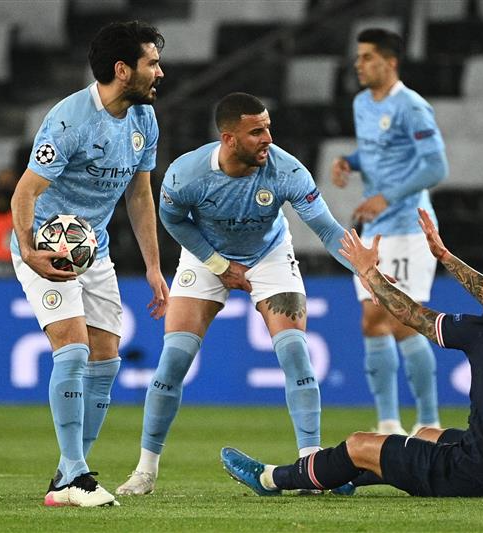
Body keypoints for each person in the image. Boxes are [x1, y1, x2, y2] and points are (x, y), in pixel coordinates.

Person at [222, 208, 483, 498]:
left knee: (358, 443)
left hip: (478, 473)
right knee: (424, 436)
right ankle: (338, 477)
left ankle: (271, 478)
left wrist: (367, 271)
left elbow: (410, 314)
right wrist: (445, 257)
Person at [116, 92, 357, 496]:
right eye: (256, 131)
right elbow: (172, 220)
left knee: (296, 354)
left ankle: (313, 469)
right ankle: (145, 471)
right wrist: (218, 265)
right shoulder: (186, 174)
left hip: (269, 254)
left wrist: (364, 268)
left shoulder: (286, 169)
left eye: (268, 128)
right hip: (205, 256)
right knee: (173, 362)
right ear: (228, 138)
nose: (268, 138)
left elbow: (328, 231)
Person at [10, 20, 170, 507]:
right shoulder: (69, 121)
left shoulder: (143, 119)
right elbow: (24, 191)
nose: (160, 72)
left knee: (106, 354)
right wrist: (31, 251)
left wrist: (153, 267)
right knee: (73, 348)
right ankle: (75, 476)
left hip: (93, 248)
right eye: (152, 63)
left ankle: (67, 472)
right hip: (47, 246)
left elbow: (140, 196)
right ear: (123, 70)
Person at [331, 28, 449, 435]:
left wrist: (386, 197)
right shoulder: (363, 103)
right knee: (371, 320)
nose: (358, 64)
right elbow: (378, 150)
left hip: (408, 228)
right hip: (375, 230)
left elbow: (436, 167)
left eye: (366, 57)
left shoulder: (412, 107)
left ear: (390, 62)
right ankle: (387, 423)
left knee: (403, 321)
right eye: (358, 57)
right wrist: (350, 160)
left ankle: (429, 420)